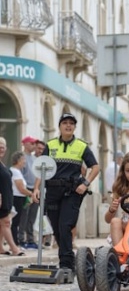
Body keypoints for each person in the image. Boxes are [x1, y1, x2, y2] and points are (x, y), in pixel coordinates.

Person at [32, 113, 100, 274]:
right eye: (65, 123)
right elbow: (41, 168)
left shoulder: (81, 146)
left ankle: (66, 263)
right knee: (56, 227)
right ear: (60, 126)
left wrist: (85, 183)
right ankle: (68, 259)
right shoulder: (50, 145)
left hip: (72, 192)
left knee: (65, 225)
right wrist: (36, 189)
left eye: (71, 123)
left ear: (75, 127)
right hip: (53, 191)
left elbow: (95, 167)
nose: (68, 125)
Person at [0, 137, 25, 256]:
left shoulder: (2, 164)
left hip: (7, 198)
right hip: (1, 198)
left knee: (2, 224)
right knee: (6, 223)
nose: (1, 148)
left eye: (3, 146)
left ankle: (0, 247)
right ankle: (14, 248)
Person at [18, 136, 39, 249]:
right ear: (25, 144)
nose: (34, 146)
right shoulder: (21, 158)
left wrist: (36, 189)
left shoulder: (35, 159)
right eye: (31, 143)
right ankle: (21, 238)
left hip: (35, 190)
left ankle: (30, 239)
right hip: (25, 190)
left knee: (32, 216)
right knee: (24, 215)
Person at [10, 151, 34, 247]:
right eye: (23, 159)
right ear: (18, 160)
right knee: (15, 222)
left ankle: (15, 243)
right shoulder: (15, 172)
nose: (25, 162)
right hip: (17, 198)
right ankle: (15, 243)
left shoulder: (18, 172)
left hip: (20, 198)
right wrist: (31, 193)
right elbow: (21, 188)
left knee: (16, 221)